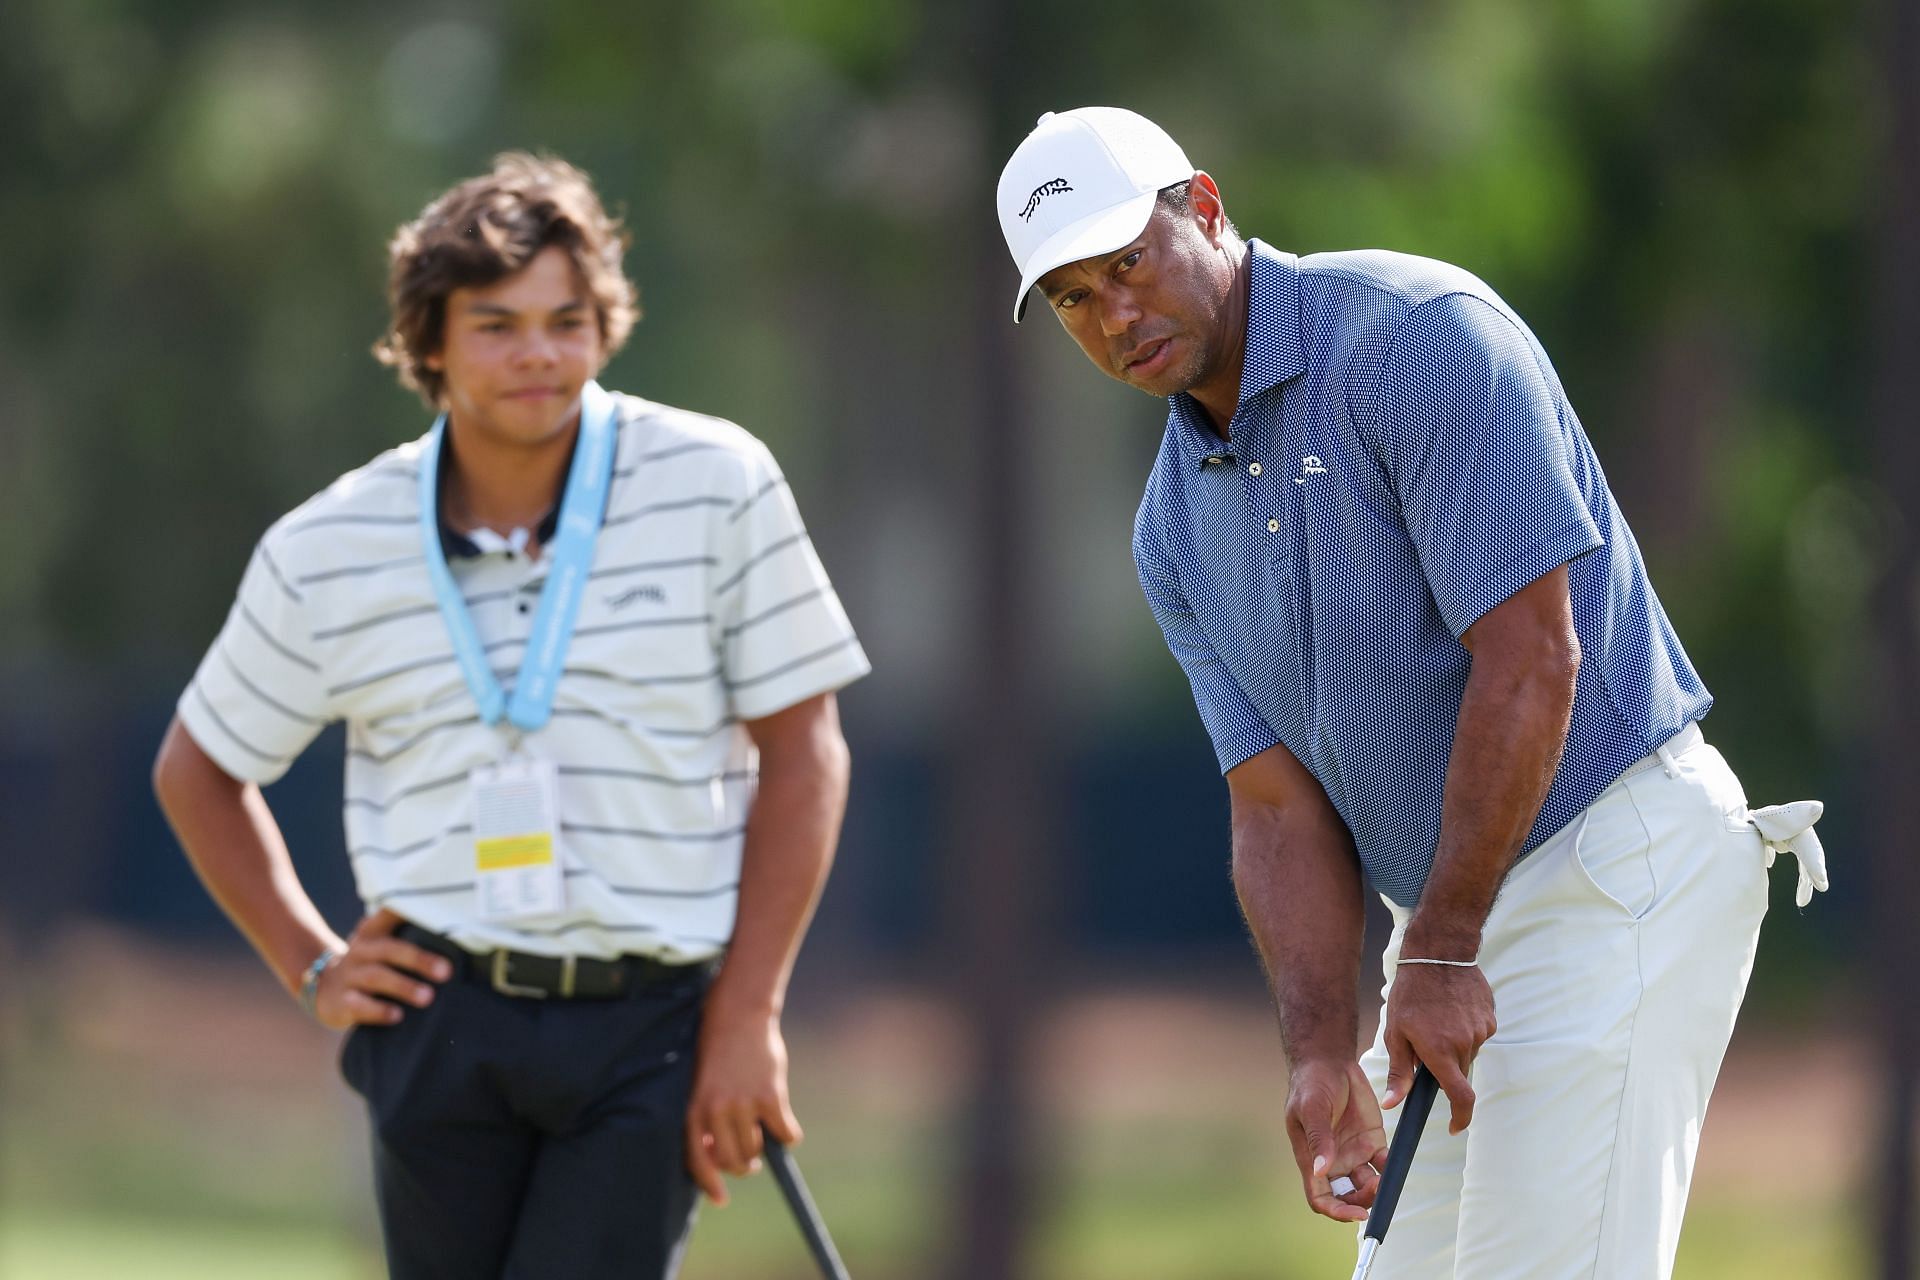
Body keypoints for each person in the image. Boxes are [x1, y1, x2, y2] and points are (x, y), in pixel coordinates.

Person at [995, 107, 1827, 1279]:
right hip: (1456, 915)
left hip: (1612, 869)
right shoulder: (1172, 528)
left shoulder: (1412, 340)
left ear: (1208, 208)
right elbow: (1278, 808)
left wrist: (1437, 951)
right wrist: (1321, 1047)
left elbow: (1535, 655)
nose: (1115, 313)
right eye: (1075, 297)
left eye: (1127, 261)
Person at [152, 152, 870, 1279]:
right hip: (436, 1021)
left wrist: (748, 1015)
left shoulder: (719, 482)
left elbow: (805, 751)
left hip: (652, 1022)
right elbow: (197, 769)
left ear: (605, 325)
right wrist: (312, 964)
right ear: (427, 342)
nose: (541, 351)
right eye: (497, 324)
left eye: (568, 319)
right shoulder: (328, 543)